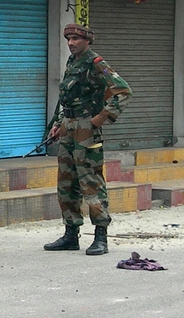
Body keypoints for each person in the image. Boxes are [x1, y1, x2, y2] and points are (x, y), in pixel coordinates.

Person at [44, 23, 132, 256]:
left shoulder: (96, 64)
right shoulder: (72, 63)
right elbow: (67, 98)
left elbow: (122, 91)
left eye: (76, 39)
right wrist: (58, 124)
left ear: (87, 41)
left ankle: (100, 236)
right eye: (68, 39)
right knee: (66, 181)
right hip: (69, 127)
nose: (71, 43)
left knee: (90, 181)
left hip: (86, 128)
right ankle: (71, 234)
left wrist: (100, 119)